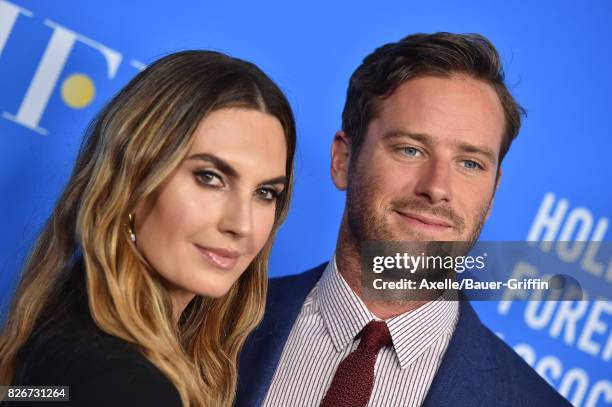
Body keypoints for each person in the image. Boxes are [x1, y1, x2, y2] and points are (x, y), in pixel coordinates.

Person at [235, 33, 571, 406]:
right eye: (410, 149)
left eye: (470, 163)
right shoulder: (211, 317)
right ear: (343, 160)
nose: (437, 188)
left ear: (493, 191)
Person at [0, 50, 296, 407]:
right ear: (132, 181)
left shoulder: (65, 330)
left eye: (265, 193)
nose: (242, 225)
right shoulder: (125, 384)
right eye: (209, 177)